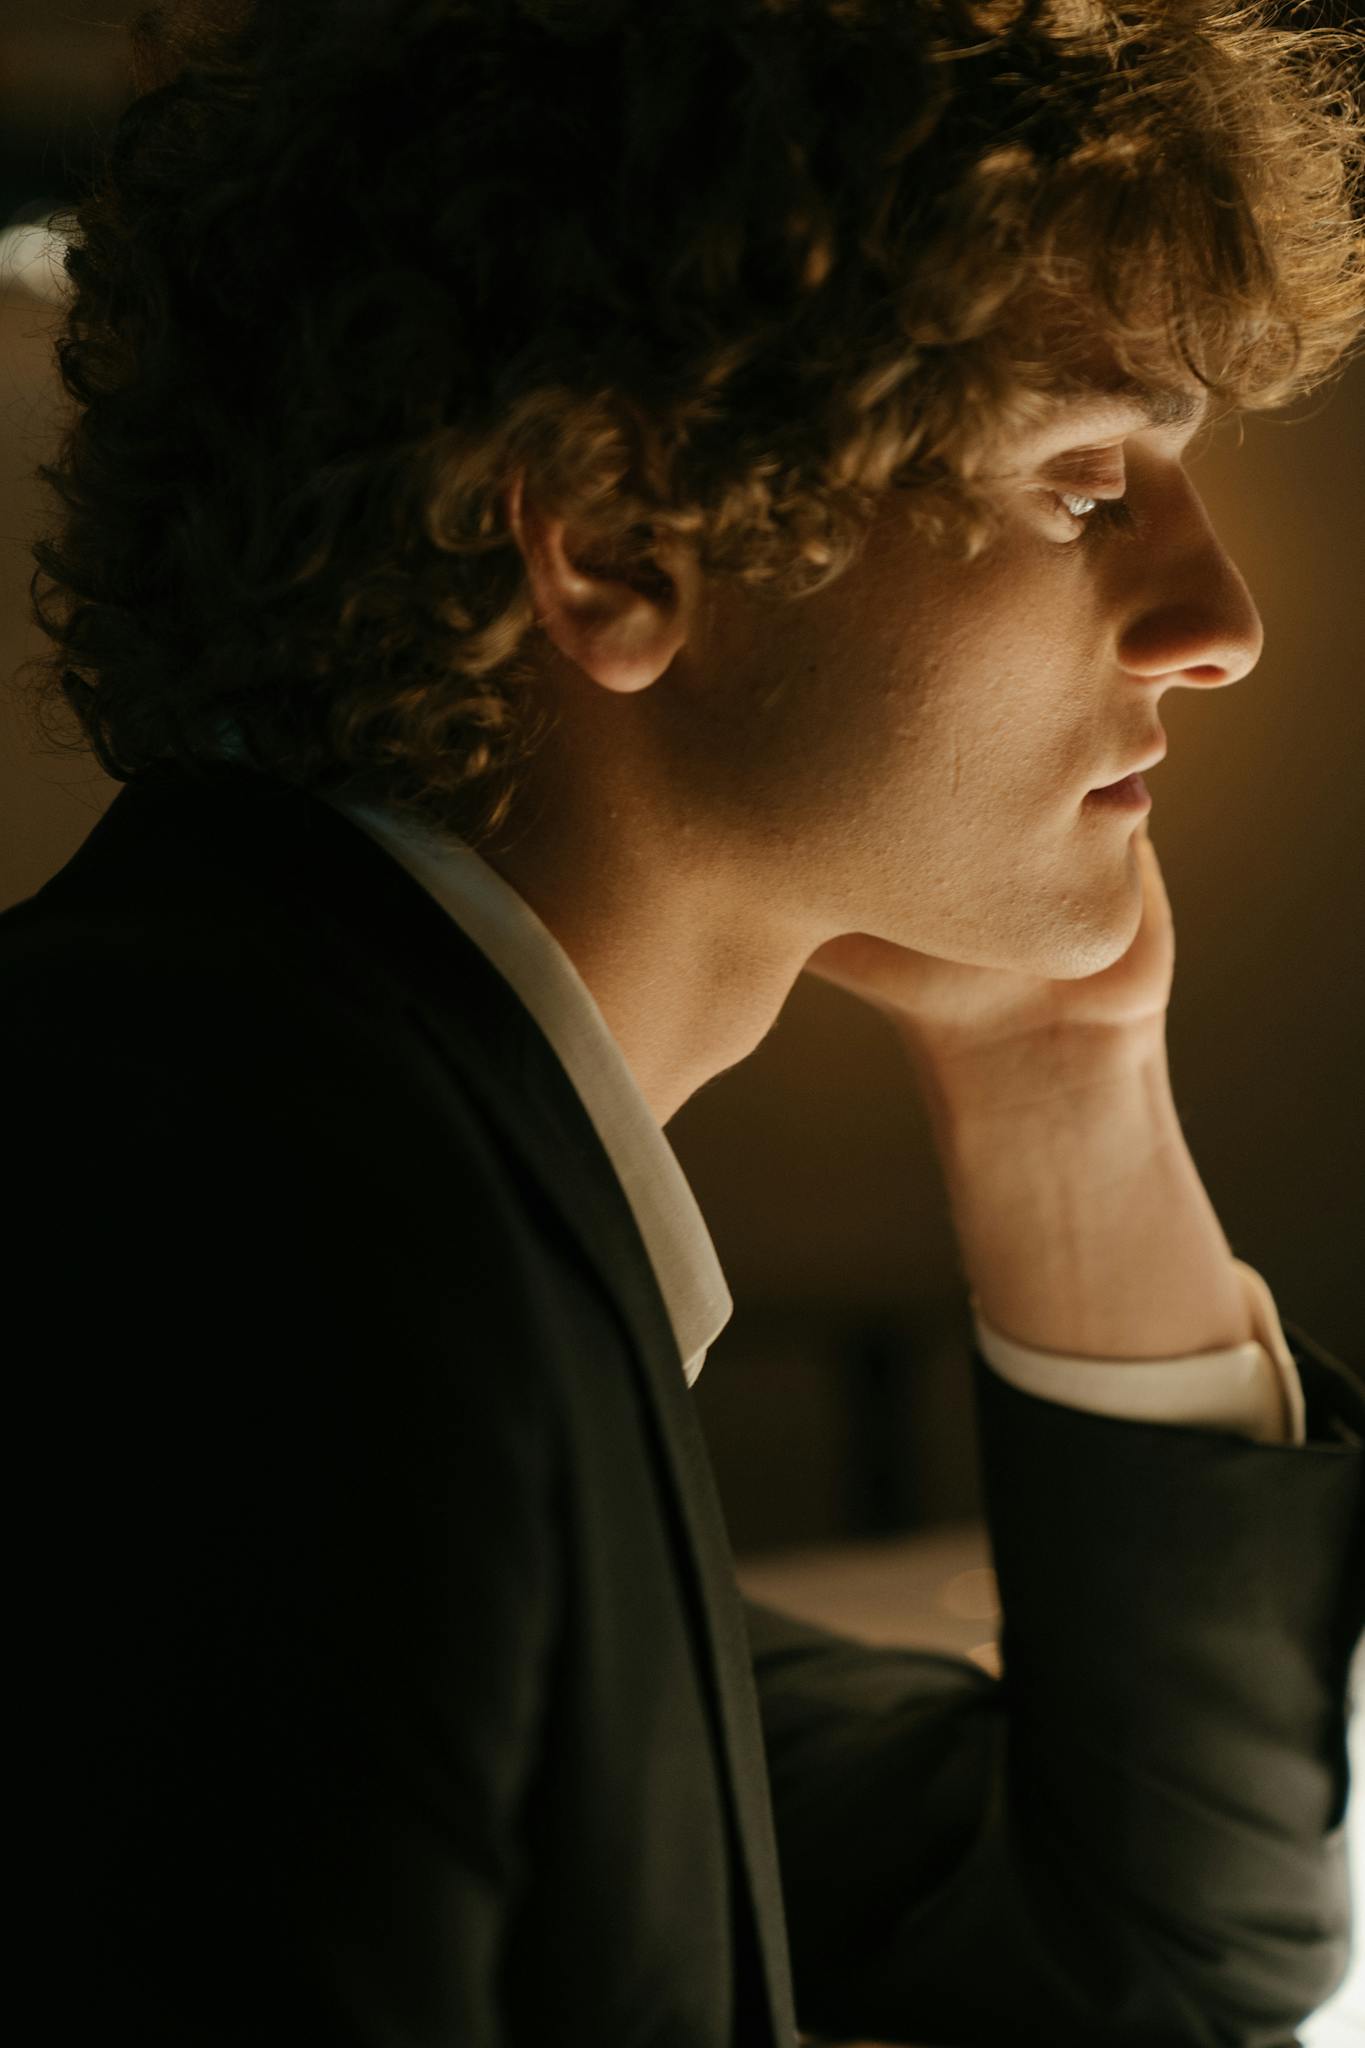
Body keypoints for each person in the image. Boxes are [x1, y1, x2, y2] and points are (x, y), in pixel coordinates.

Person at [5, 1, 1363, 2042]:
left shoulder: (341, 1134)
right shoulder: (276, 1267)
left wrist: (1057, 1067)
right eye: (1088, 481)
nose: (1217, 626)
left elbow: (1165, 1947)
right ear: (618, 538)